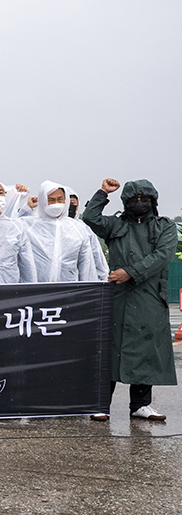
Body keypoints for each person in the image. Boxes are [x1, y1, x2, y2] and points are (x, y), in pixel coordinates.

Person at [82, 178, 178, 421]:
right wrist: (103, 192)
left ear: (153, 201)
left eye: (145, 199)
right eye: (134, 199)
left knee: (147, 349)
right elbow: (90, 218)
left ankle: (140, 405)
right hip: (119, 295)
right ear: (125, 202)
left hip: (150, 296)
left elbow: (163, 255)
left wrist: (131, 272)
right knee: (111, 348)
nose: (139, 203)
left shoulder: (164, 226)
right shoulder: (115, 224)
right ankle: (101, 404)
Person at [21, 181, 98, 282]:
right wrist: (26, 207)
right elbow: (8, 227)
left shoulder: (77, 228)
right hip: (36, 288)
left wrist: (89, 288)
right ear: (43, 201)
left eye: (60, 199)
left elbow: (87, 266)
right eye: (51, 200)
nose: (56, 204)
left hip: (67, 289)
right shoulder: (30, 225)